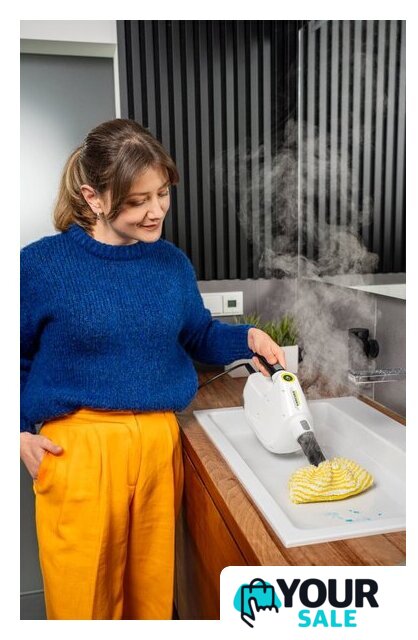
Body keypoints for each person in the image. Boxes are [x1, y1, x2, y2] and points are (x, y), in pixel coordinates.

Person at [20, 118, 287, 620]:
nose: (157, 210)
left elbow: (196, 334)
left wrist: (245, 337)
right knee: (83, 605)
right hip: (79, 450)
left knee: (152, 601)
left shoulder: (171, 263)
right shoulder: (39, 266)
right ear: (94, 197)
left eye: (162, 194)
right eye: (138, 200)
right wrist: (15, 434)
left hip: (160, 447)